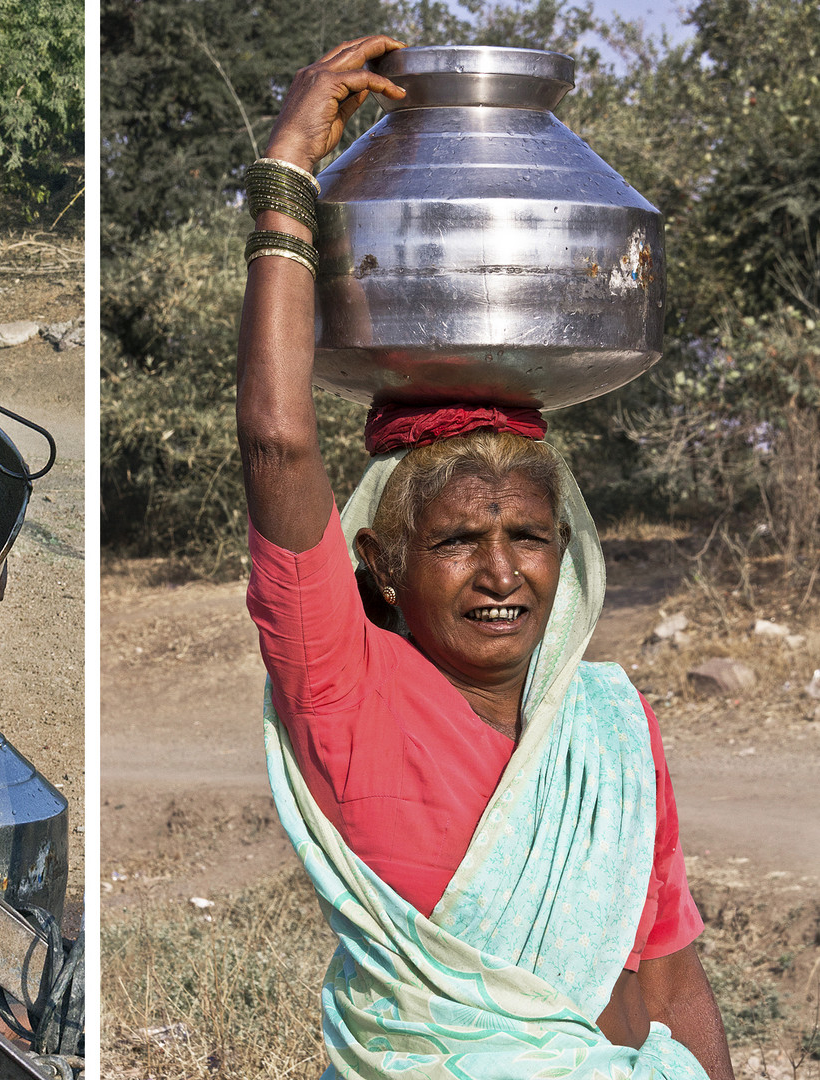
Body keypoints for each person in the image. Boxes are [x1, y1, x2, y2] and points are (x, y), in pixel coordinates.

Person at [238, 37, 733, 1080]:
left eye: (526, 538)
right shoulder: (345, 693)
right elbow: (277, 443)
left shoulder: (606, 733)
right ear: (378, 561)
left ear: (569, 553)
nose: (500, 574)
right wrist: (285, 176)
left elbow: (672, 983)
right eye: (457, 540)